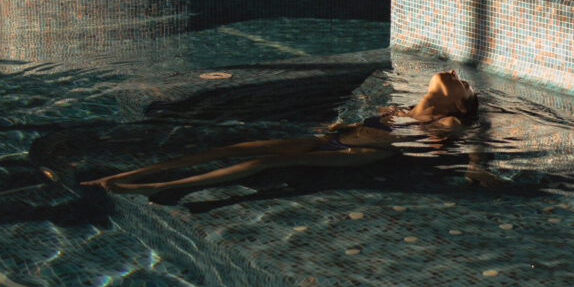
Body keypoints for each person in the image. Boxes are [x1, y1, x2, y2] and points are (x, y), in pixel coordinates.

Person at [81, 70, 479, 196]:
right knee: (235, 146)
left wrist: (476, 168)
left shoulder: (447, 122)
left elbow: (464, 145)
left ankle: (161, 187)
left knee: (264, 160)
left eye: (462, 83)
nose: (455, 75)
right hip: (338, 138)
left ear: (457, 104)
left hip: (359, 154)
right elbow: (357, 121)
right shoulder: (398, 107)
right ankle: (122, 176)